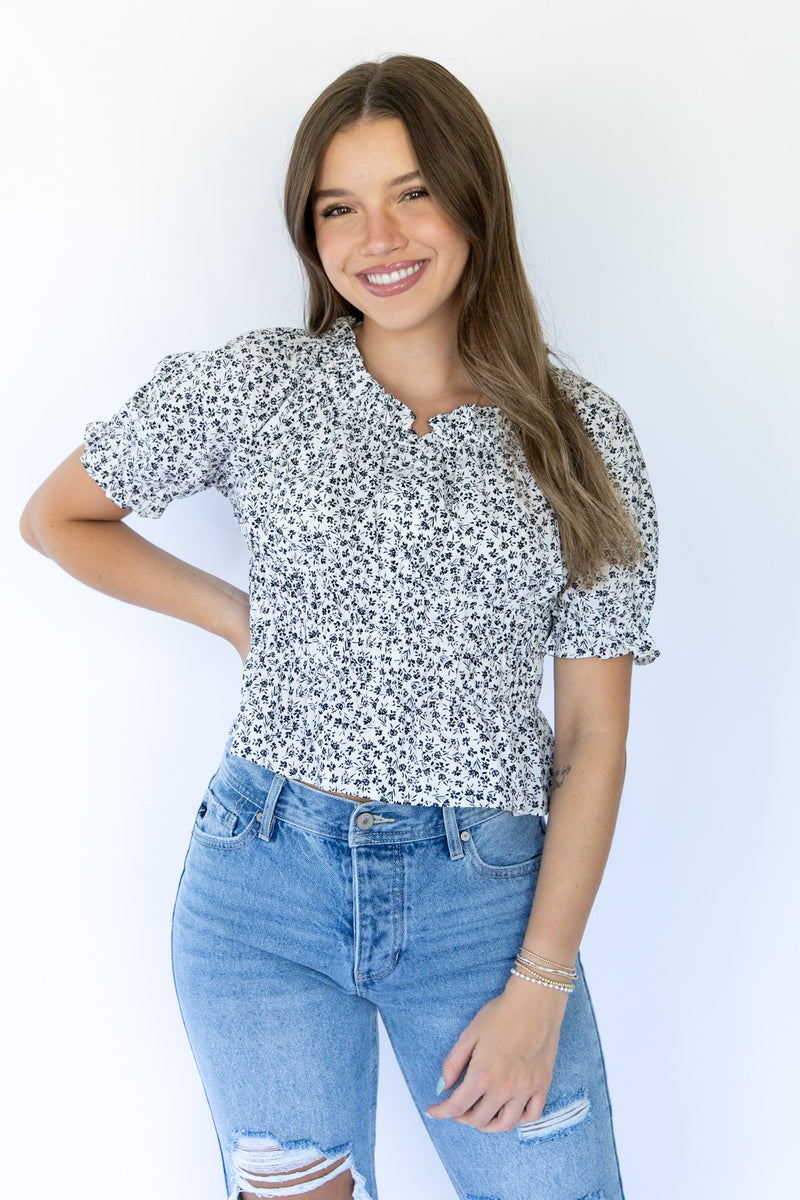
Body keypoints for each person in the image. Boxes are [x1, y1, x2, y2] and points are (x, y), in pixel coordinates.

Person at [20, 54, 658, 1200]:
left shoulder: (577, 436)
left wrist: (540, 983)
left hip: (484, 903)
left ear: (472, 199)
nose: (378, 235)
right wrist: (230, 616)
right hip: (262, 885)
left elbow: (590, 743)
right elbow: (59, 515)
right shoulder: (259, 388)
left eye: (411, 191)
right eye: (338, 206)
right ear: (309, 232)